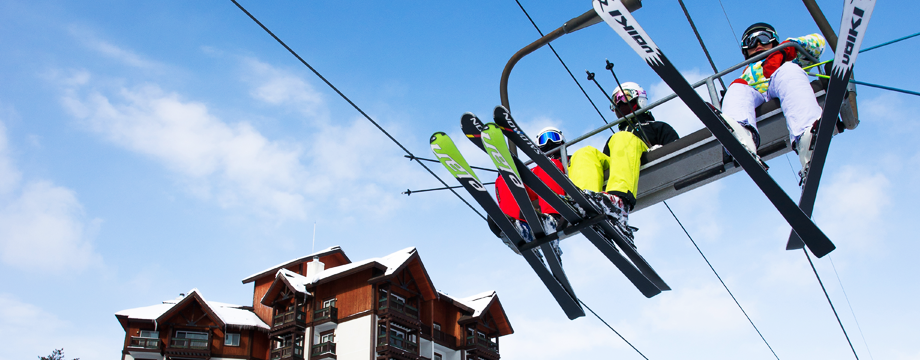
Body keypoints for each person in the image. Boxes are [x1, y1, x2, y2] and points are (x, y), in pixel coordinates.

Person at [567, 82, 679, 238]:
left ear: (639, 98)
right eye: (615, 100)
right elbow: (610, 162)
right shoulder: (615, 139)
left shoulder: (657, 127)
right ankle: (583, 200)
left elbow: (676, 147)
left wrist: (660, 149)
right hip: (621, 163)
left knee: (622, 138)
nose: (619, 102)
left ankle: (618, 202)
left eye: (624, 97)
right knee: (584, 152)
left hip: (642, 158)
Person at [720, 22, 826, 178]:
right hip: (756, 96)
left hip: (782, 87)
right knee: (736, 88)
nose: (758, 45)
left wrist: (786, 50)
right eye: (751, 42)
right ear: (745, 49)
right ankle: (741, 137)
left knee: (789, 71)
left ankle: (807, 136)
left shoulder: (790, 58)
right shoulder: (746, 73)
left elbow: (819, 43)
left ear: (773, 40)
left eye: (764, 38)